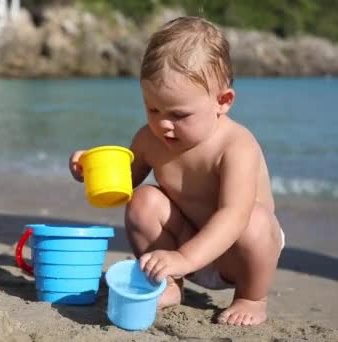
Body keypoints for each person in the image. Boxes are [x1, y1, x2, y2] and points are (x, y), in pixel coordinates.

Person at [69, 16, 284, 326]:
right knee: (143, 200)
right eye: (152, 109)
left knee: (255, 219)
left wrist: (185, 258)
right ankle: (168, 285)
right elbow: (124, 185)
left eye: (179, 114)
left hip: (237, 256)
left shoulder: (237, 146)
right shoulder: (149, 139)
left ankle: (252, 298)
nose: (162, 124)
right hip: (183, 245)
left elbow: (233, 216)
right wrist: (90, 171)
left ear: (222, 101)